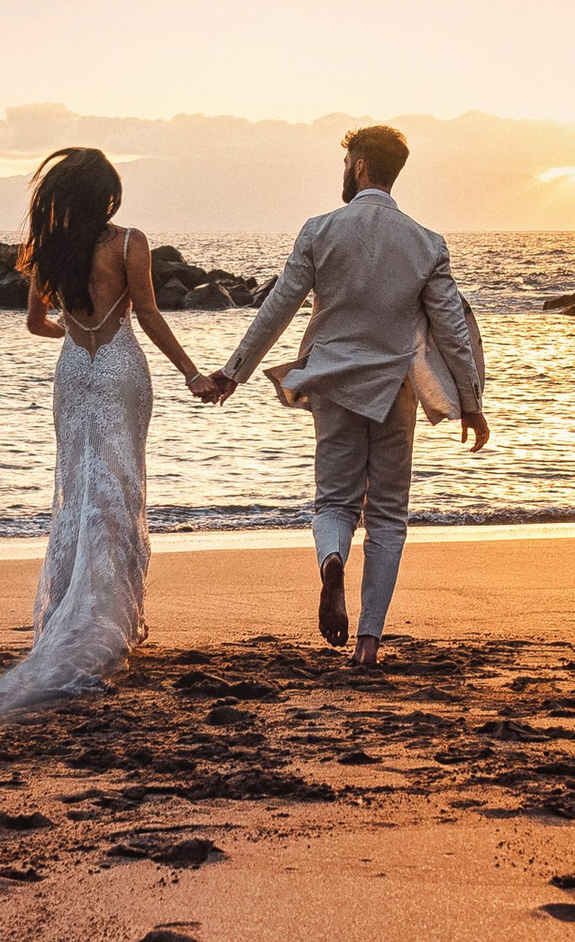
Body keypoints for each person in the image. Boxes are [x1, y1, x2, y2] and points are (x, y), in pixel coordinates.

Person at [202, 122, 488, 664]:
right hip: (394, 390)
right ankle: (369, 645)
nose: (343, 172)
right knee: (387, 514)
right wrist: (470, 402)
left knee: (334, 501)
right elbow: (451, 326)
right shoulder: (426, 243)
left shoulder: (319, 230)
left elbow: (278, 309)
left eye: (345, 163)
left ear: (359, 167)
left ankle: (332, 560)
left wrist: (233, 374)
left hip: (332, 383)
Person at [0, 145, 213, 720]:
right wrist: (192, 372)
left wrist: (74, 337)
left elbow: (34, 324)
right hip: (121, 368)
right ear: (109, 196)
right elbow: (146, 315)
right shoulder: (128, 243)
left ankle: (72, 615)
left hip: (74, 371)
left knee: (78, 486)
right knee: (117, 488)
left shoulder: (49, 250)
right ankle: (107, 622)